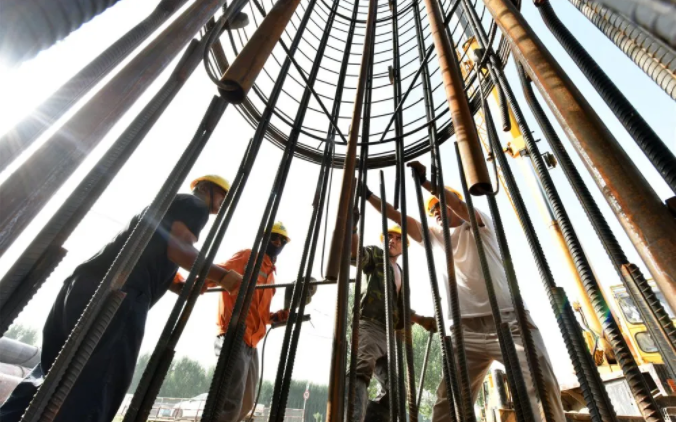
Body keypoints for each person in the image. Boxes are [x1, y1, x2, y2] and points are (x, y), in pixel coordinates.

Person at [0, 175, 243, 422]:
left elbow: (150, 251)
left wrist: (179, 285)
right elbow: (180, 249)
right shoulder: (195, 205)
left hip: (81, 286)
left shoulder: (165, 206)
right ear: (204, 188)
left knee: (50, 373)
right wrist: (225, 277)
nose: (224, 202)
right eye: (222, 194)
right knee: (100, 384)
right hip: (119, 297)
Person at [360, 161, 566, 422]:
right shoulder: (434, 236)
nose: (436, 211)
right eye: (432, 210)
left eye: (439, 205)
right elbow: (397, 217)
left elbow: (457, 205)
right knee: (448, 404)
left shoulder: (479, 224)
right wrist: (368, 195)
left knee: (542, 385)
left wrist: (426, 183)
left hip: (509, 321)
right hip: (465, 330)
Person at [348, 213, 437, 422]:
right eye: (389, 236)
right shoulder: (376, 256)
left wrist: (422, 320)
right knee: (360, 371)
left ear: (404, 247)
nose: (392, 241)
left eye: (398, 239)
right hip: (369, 325)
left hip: (389, 334)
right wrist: (353, 230)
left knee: (396, 390)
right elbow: (357, 255)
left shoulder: (401, 273)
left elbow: (400, 308)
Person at [211, 221, 291, 422]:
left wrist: (275, 317)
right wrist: (190, 285)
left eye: (282, 240)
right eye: (274, 237)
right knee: (230, 401)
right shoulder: (248, 257)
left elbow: (259, 312)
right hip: (234, 335)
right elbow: (217, 272)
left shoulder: (271, 275)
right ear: (263, 238)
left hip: (252, 344)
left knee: (247, 403)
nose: (278, 242)